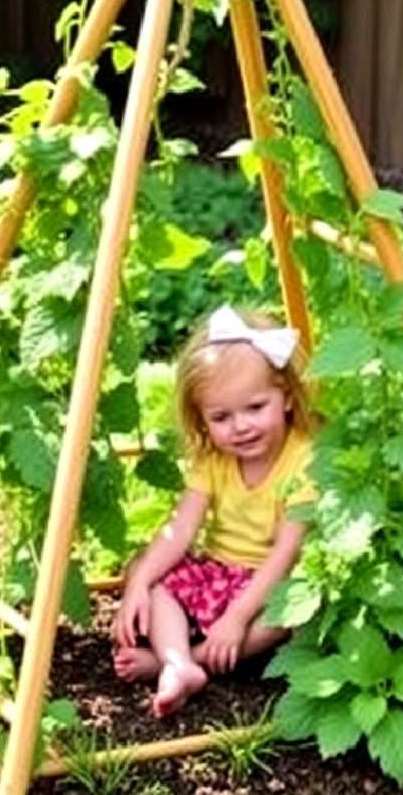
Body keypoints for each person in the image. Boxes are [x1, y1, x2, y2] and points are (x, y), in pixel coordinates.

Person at [111, 305, 315, 717]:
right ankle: (178, 663)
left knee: (289, 615)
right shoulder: (215, 459)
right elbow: (182, 529)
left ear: (287, 398)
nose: (240, 426)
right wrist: (138, 584)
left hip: (268, 584)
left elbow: (286, 554)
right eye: (221, 417)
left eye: (255, 408)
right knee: (146, 574)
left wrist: (237, 617)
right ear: (202, 422)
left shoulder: (304, 459)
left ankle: (187, 659)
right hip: (219, 573)